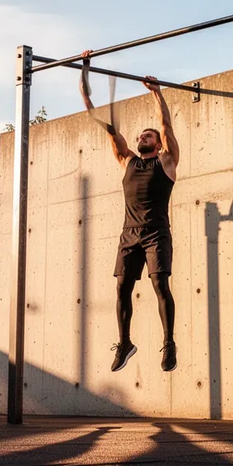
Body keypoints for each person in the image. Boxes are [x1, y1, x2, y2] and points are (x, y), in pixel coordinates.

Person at [78, 50, 179, 373]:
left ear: (158, 144)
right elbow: (101, 121)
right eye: (140, 136)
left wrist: (157, 94)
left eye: (146, 136)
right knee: (122, 287)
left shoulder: (166, 162)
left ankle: (169, 343)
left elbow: (165, 125)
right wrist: (85, 73)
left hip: (156, 235)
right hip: (129, 235)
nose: (141, 138)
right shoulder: (127, 161)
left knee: (160, 285)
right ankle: (125, 342)